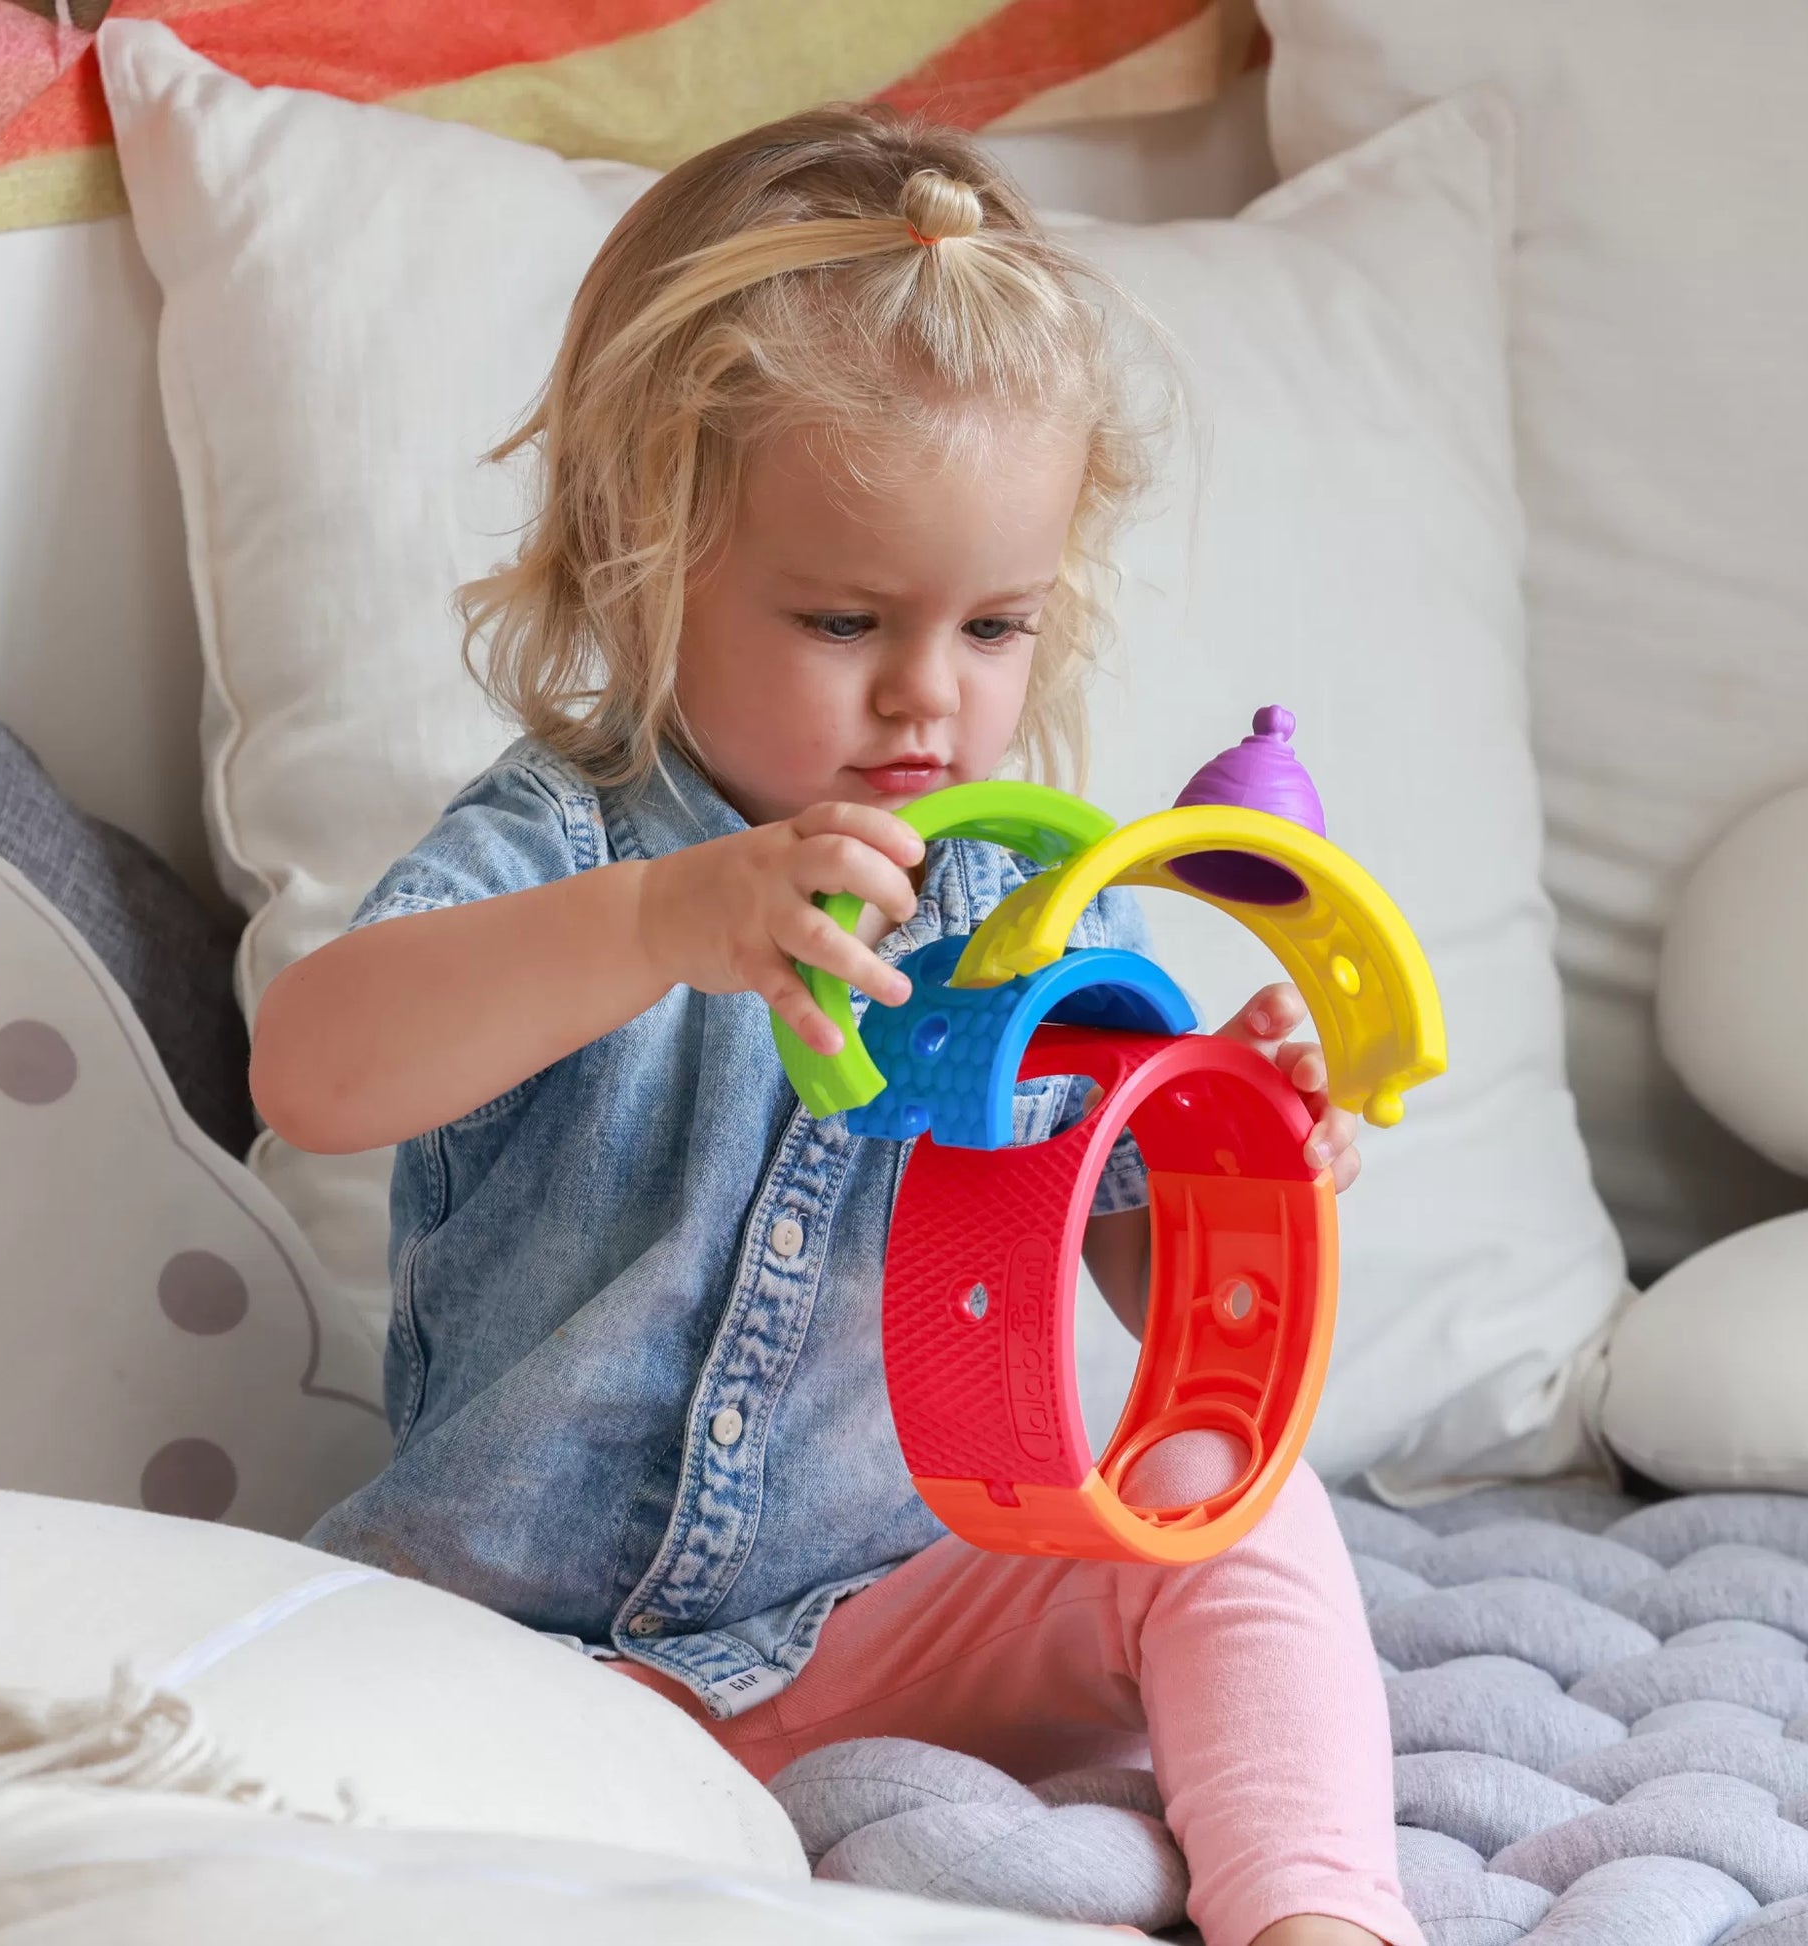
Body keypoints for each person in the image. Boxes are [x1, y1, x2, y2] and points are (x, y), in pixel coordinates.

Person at [252, 105, 1417, 1946]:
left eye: (995, 627)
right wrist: (654, 923)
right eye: (844, 619)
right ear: (645, 558)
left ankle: (1320, 1915)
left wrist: (1241, 1150)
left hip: (882, 1629)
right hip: (523, 1659)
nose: (925, 697)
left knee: (1230, 1501)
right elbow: (315, 1070)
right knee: (297, 1732)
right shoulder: (568, 844)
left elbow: (1132, 1275)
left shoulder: (1035, 903)